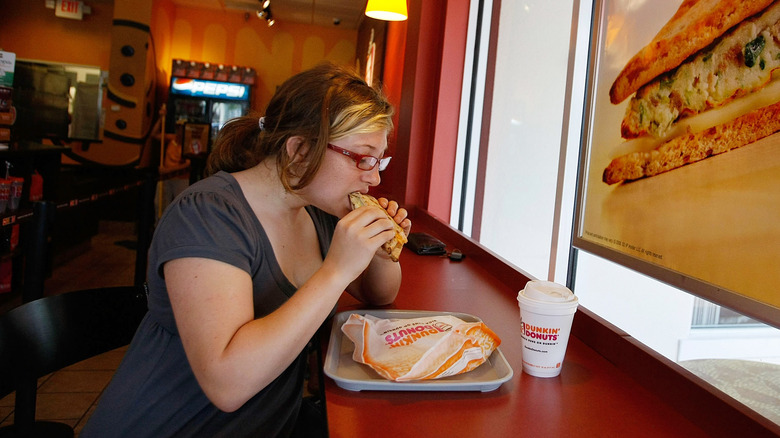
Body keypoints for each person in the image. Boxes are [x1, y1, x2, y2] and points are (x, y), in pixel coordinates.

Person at [82, 62, 411, 437]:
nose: (375, 176)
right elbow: (227, 384)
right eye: (363, 157)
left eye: (379, 159)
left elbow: (379, 293)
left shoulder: (318, 211)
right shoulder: (208, 214)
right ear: (300, 150)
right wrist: (335, 271)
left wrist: (381, 247)